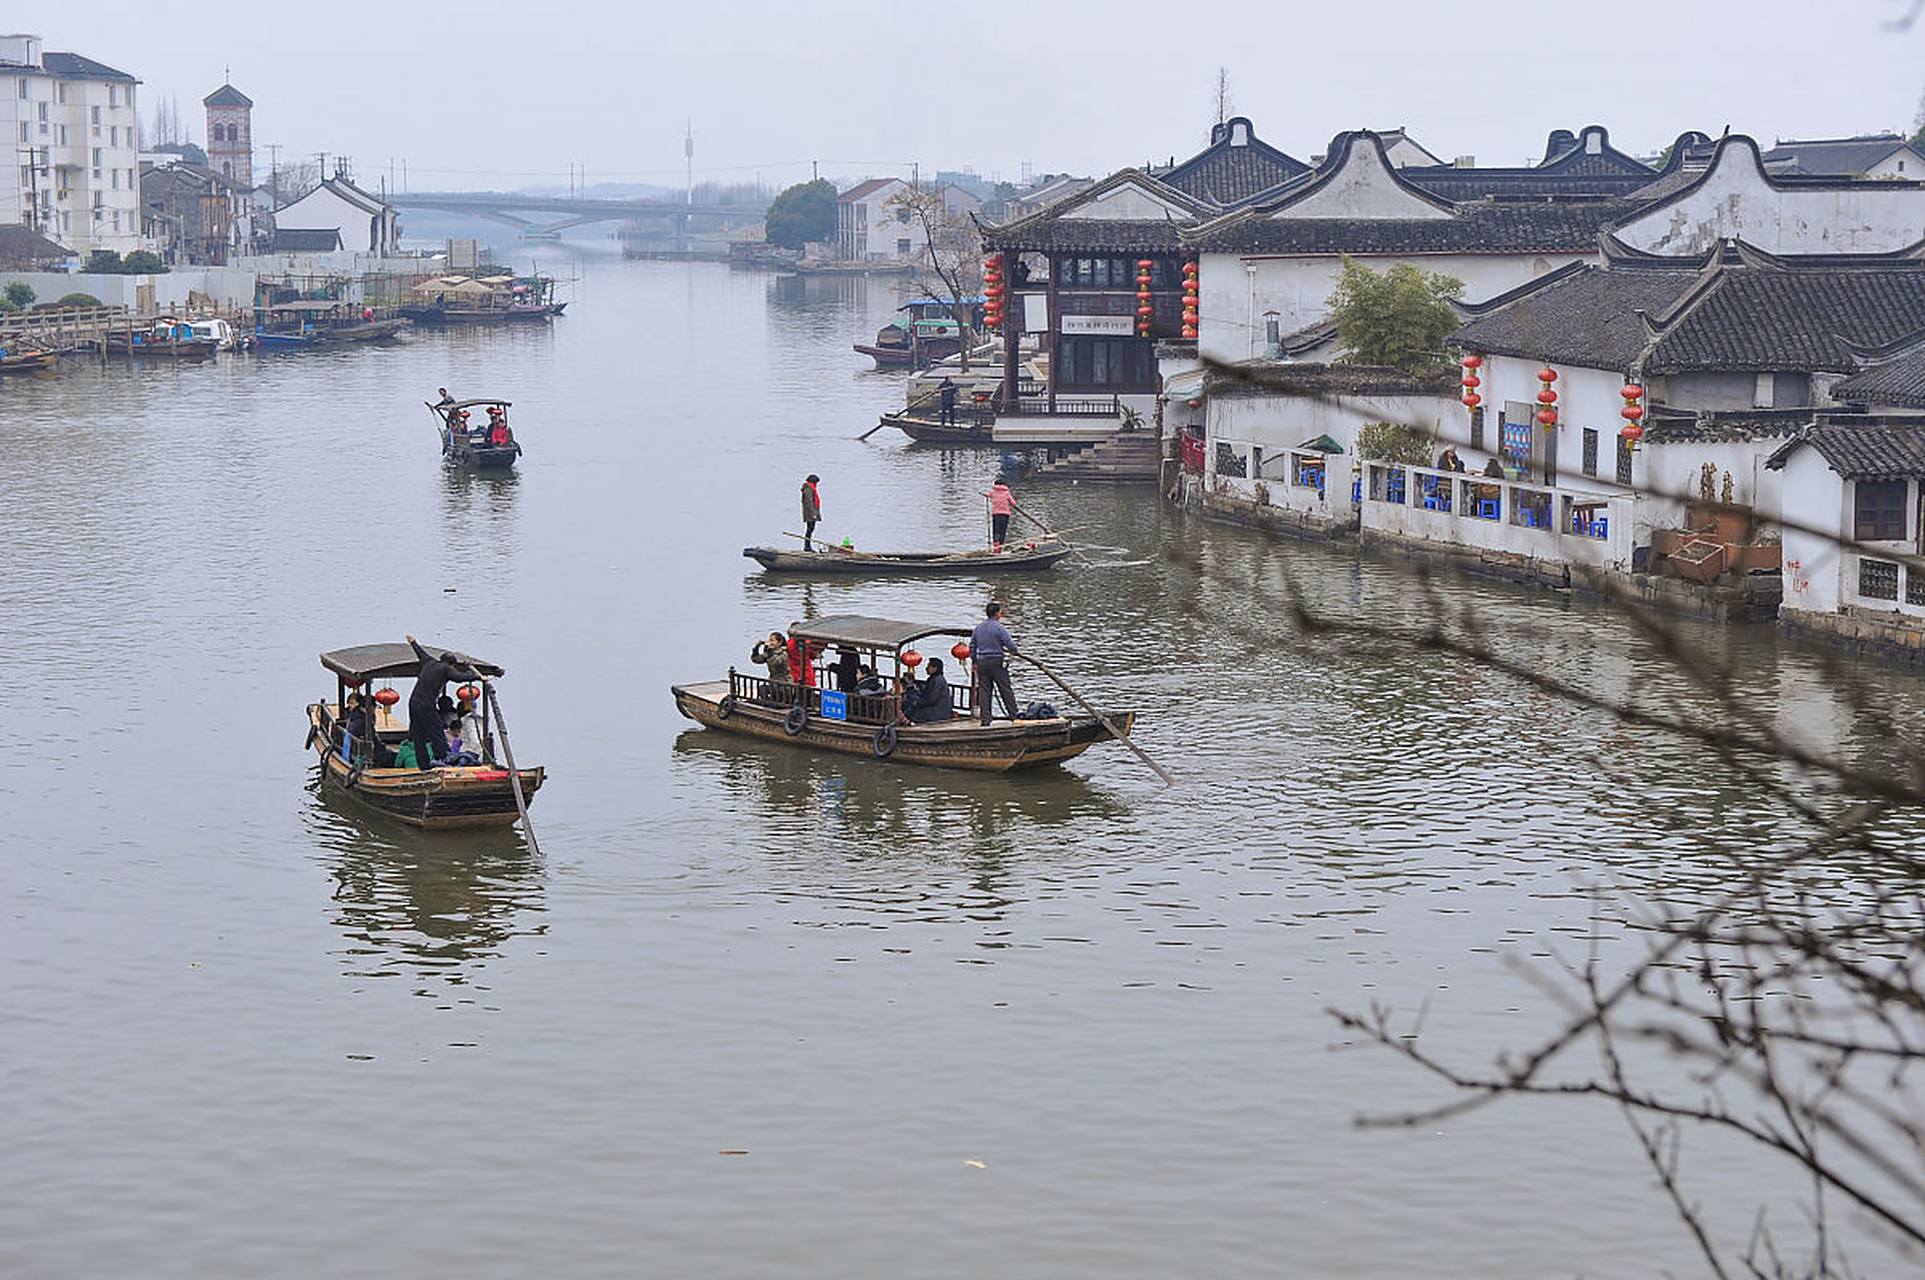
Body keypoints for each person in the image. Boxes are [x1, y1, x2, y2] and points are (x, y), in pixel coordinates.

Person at [403, 634, 476, 772]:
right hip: (426, 704)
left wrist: (413, 642)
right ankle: (445, 758)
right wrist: (478, 676)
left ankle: (424, 765)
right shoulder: (445, 668)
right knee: (437, 729)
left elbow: (420, 652)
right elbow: (459, 678)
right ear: (450, 664)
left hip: (413, 703)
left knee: (418, 734)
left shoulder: (429, 661)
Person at [969, 602, 1020, 725]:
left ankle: (985, 719)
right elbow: (1010, 646)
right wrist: (1014, 651)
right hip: (996, 661)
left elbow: (972, 646)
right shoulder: (999, 628)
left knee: (985, 691)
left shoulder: (978, 628)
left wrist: (974, 660)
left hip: (982, 662)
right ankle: (1014, 716)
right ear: (997, 614)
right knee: (1005, 689)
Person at [901, 657, 954, 724]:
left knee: (913, 710)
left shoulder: (937, 680)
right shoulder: (935, 679)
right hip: (936, 709)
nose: (926, 668)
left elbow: (931, 699)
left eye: (929, 666)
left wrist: (918, 703)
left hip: (937, 712)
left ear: (935, 668)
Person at [985, 476, 1015, 549]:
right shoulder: (1006, 493)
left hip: (996, 514)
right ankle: (1001, 544)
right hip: (1005, 514)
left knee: (996, 530)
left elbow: (988, 495)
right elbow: (1013, 503)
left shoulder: (993, 492)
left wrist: (985, 495)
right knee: (1002, 530)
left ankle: (996, 544)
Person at [454, 693, 486, 761]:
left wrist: (472, 756)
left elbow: (475, 741)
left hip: (470, 756)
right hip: (477, 754)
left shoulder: (469, 721)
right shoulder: (479, 720)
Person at [801, 474, 822, 550]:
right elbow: (809, 502)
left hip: (812, 513)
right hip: (810, 513)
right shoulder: (808, 489)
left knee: (811, 529)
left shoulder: (811, 488)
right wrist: (813, 514)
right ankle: (807, 546)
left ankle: (808, 545)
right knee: (809, 529)